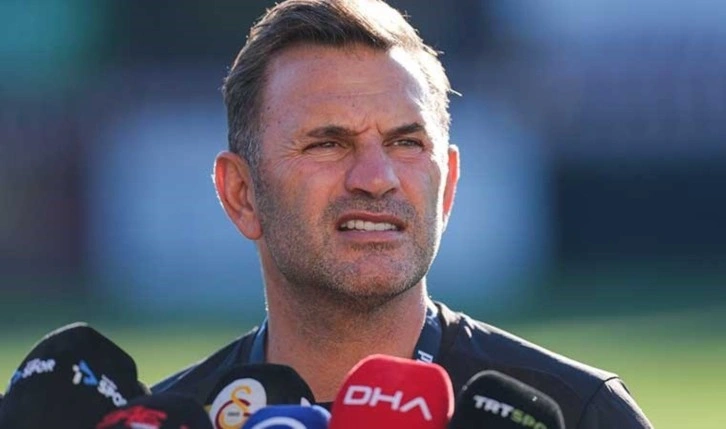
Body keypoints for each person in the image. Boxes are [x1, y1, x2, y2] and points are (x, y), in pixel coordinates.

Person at [152, 0, 652, 427]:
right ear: (241, 194)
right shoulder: (167, 420)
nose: (376, 177)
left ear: (448, 186)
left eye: (406, 143)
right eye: (328, 144)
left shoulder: (575, 413)